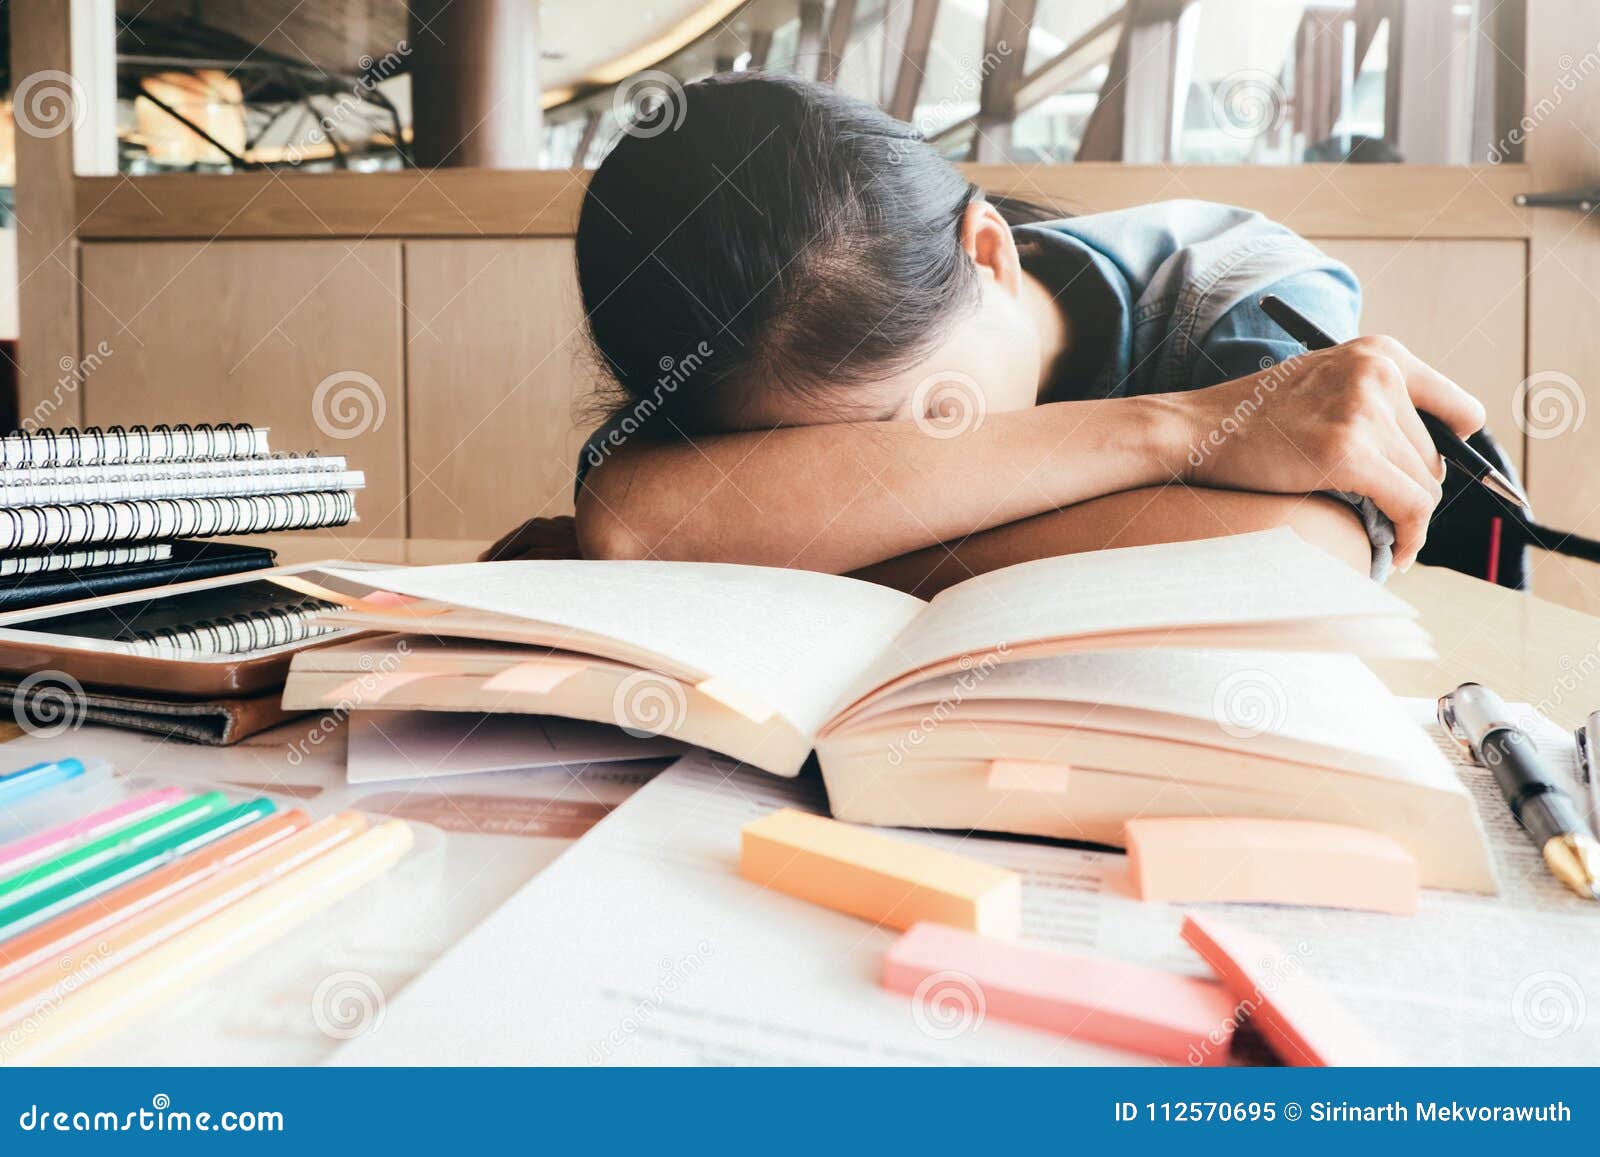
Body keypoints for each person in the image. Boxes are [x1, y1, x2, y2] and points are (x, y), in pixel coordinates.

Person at [492, 72, 1485, 596]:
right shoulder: (733, 349)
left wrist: (810, 547)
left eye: (927, 418)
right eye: (813, 457)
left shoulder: (1233, 287)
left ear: (989, 252)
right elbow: (633, 517)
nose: (890, 478)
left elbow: (1298, 552)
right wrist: (1172, 431)